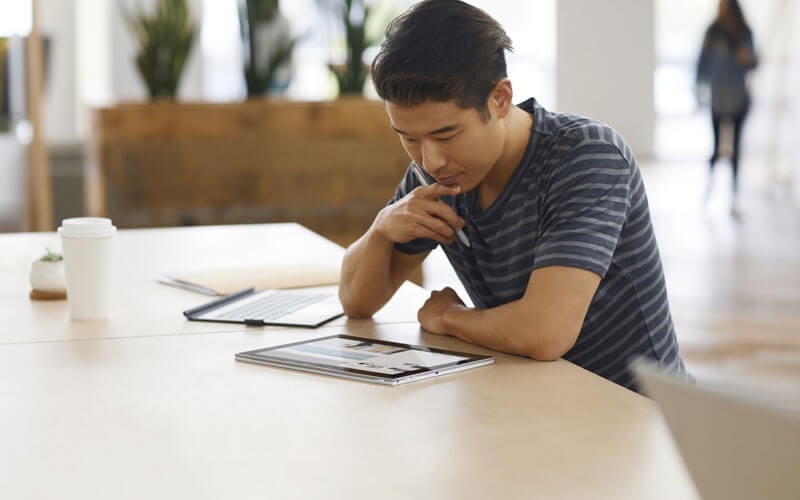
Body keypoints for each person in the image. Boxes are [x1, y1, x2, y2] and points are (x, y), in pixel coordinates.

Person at [338, 0, 688, 392]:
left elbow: (544, 332)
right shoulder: (436, 177)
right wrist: (382, 229)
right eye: (409, 138)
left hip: (643, 419)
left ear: (500, 99)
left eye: (446, 135)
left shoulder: (587, 155)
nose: (431, 159)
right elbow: (357, 302)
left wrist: (449, 318)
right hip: (536, 402)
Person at [696, 0, 757, 216]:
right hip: (718, 99)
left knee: (736, 150)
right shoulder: (713, 31)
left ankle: (734, 196)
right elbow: (701, 64)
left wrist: (747, 59)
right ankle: (709, 192)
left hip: (739, 99)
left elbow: (754, 62)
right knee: (715, 149)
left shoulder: (744, 32)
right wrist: (699, 95)